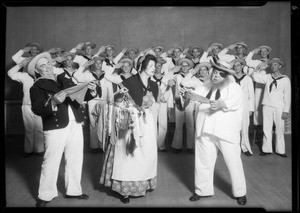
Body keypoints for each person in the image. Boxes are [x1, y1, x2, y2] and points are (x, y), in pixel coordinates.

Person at [28, 52, 97, 207]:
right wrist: (53, 101)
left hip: (75, 124)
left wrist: (91, 90)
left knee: (75, 158)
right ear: (38, 71)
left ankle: (73, 190)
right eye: (43, 66)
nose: (48, 68)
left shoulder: (63, 79)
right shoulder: (36, 87)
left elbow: (80, 95)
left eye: (49, 64)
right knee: (51, 161)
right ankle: (46, 194)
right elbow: (37, 108)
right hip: (55, 127)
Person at [187, 58, 247, 205]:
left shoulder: (234, 87)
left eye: (220, 74)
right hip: (204, 129)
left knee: (233, 162)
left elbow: (234, 102)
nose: (215, 76)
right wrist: (187, 95)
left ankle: (240, 192)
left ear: (227, 76)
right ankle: (202, 190)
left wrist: (222, 103)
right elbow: (194, 97)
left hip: (226, 132)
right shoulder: (205, 86)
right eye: (214, 72)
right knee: (203, 161)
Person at [100, 54, 159, 204]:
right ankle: (124, 190)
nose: (154, 69)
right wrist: (131, 109)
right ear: (143, 66)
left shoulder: (152, 84)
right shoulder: (130, 81)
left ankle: (142, 184)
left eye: (154, 66)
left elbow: (151, 103)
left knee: (146, 154)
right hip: (131, 122)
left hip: (146, 123)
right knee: (128, 155)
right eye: (151, 66)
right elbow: (118, 101)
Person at [250, 58, 291, 157]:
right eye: (272, 65)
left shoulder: (285, 79)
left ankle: (280, 150)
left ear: (280, 66)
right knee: (267, 128)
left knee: (279, 128)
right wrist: (258, 67)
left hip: (279, 107)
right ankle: (266, 149)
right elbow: (254, 76)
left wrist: (286, 110)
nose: (273, 67)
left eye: (276, 65)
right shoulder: (268, 77)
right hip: (267, 105)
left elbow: (288, 96)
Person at [74, 56, 113, 153]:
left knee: (103, 123)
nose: (98, 64)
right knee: (92, 123)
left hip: (104, 101)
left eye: (100, 62)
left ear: (102, 64)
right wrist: (84, 66)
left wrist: (111, 101)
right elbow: (76, 76)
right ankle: (94, 146)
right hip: (92, 100)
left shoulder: (106, 75)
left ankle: (102, 145)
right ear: (93, 64)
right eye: (96, 63)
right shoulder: (88, 75)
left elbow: (110, 90)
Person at [7, 56, 44, 157]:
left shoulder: (43, 75)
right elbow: (10, 73)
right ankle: (28, 151)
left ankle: (39, 150)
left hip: (39, 105)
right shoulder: (24, 76)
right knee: (29, 129)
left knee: (39, 129)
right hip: (27, 105)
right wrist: (20, 64)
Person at [168, 58, 195, 153]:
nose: (184, 68)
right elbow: (169, 80)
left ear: (189, 67)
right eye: (182, 66)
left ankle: (190, 146)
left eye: (186, 66)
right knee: (178, 125)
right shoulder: (177, 76)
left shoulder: (193, 77)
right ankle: (177, 146)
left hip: (189, 102)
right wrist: (170, 81)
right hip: (179, 101)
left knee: (190, 125)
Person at [245, 45, 272, 136]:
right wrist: (252, 52)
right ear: (259, 53)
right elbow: (246, 62)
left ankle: (269, 126)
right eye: (261, 51)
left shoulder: (272, 62)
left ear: (268, 52)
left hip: (269, 87)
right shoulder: (257, 62)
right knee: (257, 106)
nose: (263, 53)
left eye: (265, 51)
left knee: (269, 106)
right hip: (259, 87)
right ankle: (258, 126)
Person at [231, 58, 255, 156]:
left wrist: (250, 109)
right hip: (233, 106)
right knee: (233, 127)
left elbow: (251, 95)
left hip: (244, 106)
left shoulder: (248, 78)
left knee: (244, 128)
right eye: (235, 65)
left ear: (242, 66)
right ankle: (233, 148)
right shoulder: (230, 78)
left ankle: (245, 147)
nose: (237, 67)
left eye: (238, 65)